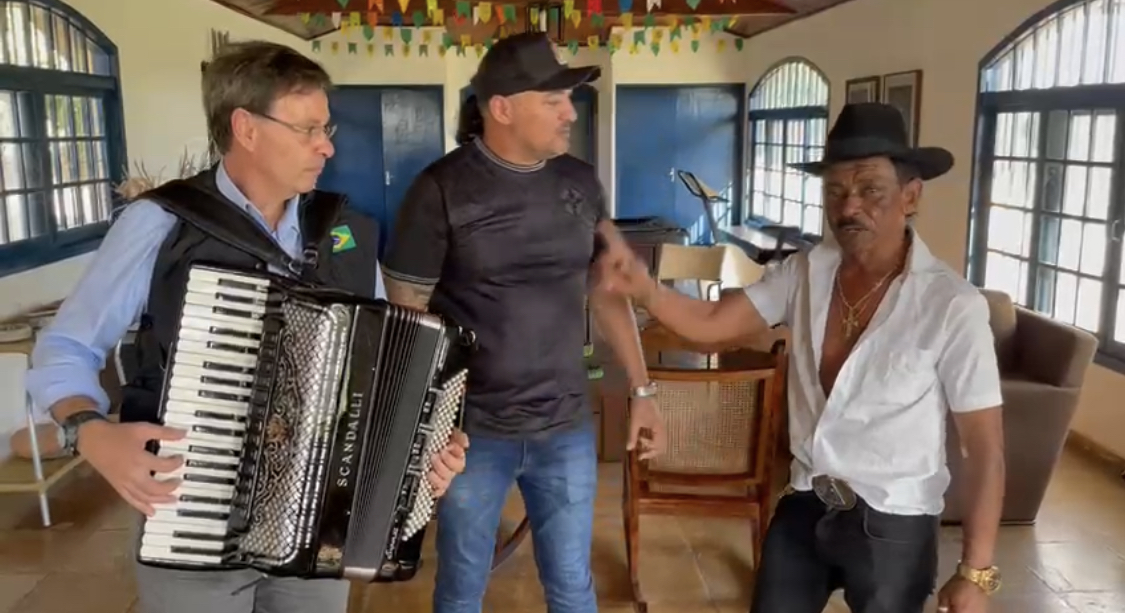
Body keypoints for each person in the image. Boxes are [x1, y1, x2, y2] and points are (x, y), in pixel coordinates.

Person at [25, 40, 467, 613]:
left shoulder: (346, 233)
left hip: (318, 524)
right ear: (246, 128)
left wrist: (426, 444)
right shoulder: (160, 224)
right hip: (192, 513)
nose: (327, 146)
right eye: (308, 129)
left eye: (326, 127)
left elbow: (389, 369)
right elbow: (65, 347)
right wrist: (90, 431)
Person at [596, 103, 1006, 613]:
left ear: (910, 195)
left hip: (894, 520)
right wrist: (646, 290)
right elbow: (712, 322)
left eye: (870, 189)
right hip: (807, 499)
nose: (849, 206)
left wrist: (975, 572)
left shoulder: (952, 305)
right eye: (835, 190)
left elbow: (984, 447)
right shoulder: (805, 271)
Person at [380, 31, 667, 613]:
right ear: (502, 109)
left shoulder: (580, 182)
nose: (570, 113)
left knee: (571, 583)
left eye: (569, 99)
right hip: (471, 433)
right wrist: (422, 429)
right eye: (553, 100)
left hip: (565, 424)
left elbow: (608, 291)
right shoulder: (439, 190)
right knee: (461, 584)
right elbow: (408, 318)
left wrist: (643, 390)